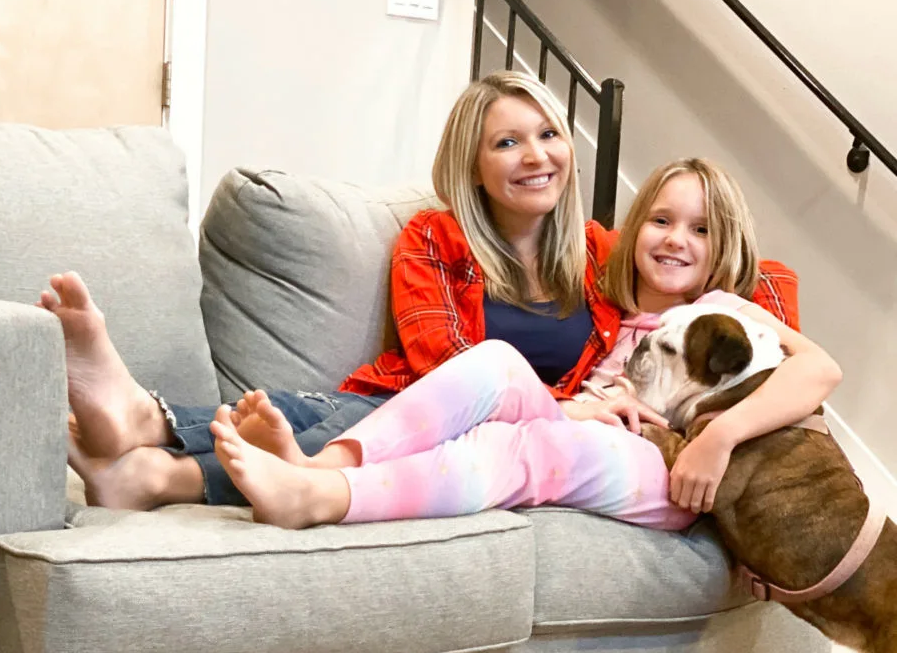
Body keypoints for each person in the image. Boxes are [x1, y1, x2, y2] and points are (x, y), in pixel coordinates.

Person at [43, 70, 637, 509]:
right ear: (472, 165)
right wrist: (568, 404)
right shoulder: (435, 237)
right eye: (507, 143)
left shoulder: (602, 255)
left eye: (548, 135)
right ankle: (143, 435)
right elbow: (450, 367)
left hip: (504, 445)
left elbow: (690, 316)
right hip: (424, 407)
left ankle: (153, 463)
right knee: (314, 415)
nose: (536, 156)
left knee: (333, 432)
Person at [206, 158, 841, 529]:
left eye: (700, 229)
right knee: (496, 361)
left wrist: (718, 438)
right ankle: (322, 466)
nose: (677, 239)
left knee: (525, 446)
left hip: (669, 466)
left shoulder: (725, 309)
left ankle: (322, 500)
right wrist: (579, 406)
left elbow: (820, 370)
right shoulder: (604, 303)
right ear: (633, 229)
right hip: (589, 426)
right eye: (662, 220)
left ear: (723, 246)